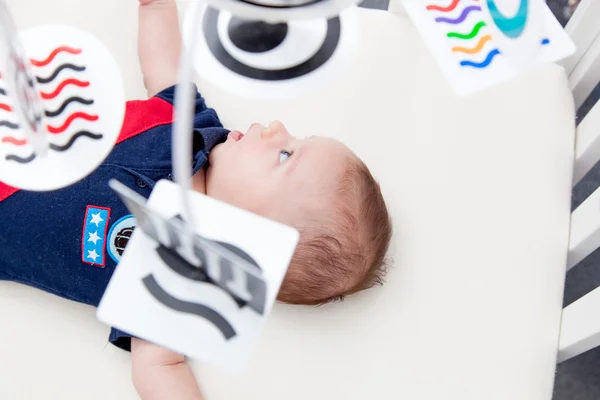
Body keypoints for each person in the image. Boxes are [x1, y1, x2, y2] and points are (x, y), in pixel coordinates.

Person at [0, 0, 392, 398]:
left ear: (257, 236)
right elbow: (165, 65)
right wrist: (156, 9)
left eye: (285, 154)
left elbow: (158, 366)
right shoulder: (194, 125)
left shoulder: (179, 278)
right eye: (296, 136)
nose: (276, 127)